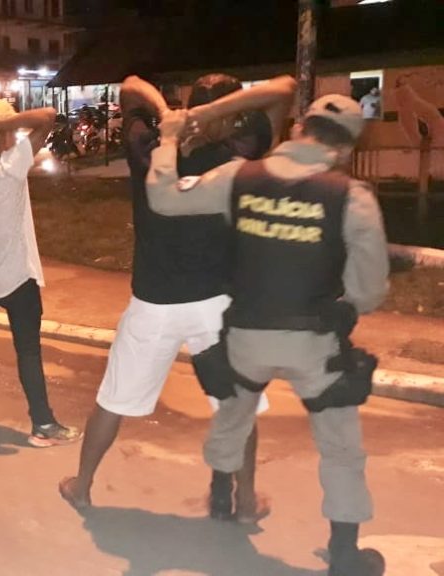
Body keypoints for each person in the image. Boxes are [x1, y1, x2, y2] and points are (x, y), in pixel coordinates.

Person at [147, 95, 389, 576]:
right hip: (314, 344)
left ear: (299, 128)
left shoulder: (239, 176)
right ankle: (344, 554)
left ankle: (221, 496)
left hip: (246, 336)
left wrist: (169, 139)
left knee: (234, 412)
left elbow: (164, 198)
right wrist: (347, 307)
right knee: (340, 447)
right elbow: (370, 289)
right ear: (346, 148)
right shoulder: (351, 196)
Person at [59, 73, 297, 519]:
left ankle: (82, 487)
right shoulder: (241, 154)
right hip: (216, 303)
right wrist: (212, 115)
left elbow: (131, 84)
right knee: (237, 406)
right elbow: (285, 88)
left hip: (155, 301)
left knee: (113, 399)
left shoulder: (150, 148)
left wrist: (171, 116)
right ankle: (246, 502)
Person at [0, 99, 82, 447]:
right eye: (9, 128)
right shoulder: (11, 166)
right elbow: (48, 117)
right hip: (18, 279)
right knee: (28, 352)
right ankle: (43, 425)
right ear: (0, 131)